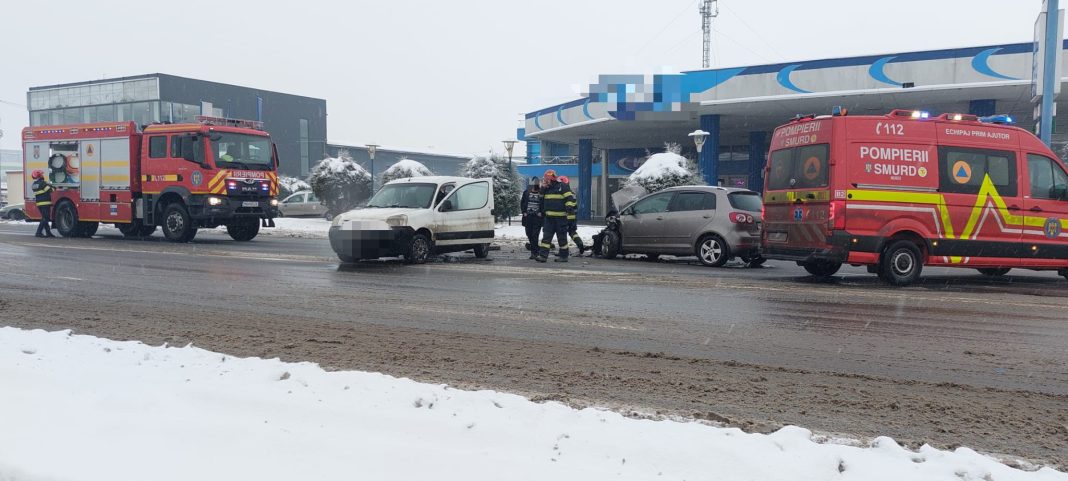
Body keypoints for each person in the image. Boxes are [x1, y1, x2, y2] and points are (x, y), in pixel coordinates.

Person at [535, 169, 576, 263]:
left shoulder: (562, 186)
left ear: (552, 179)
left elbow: (569, 198)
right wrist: (543, 189)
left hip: (561, 218)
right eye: (545, 179)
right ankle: (543, 256)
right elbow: (540, 199)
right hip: (549, 218)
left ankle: (564, 256)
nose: (545, 181)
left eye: (547, 179)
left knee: (562, 238)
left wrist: (569, 207)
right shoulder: (546, 189)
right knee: (546, 237)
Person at [557, 176, 586, 255]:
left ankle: (563, 251)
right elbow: (575, 207)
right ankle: (579, 243)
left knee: (562, 235)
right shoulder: (572, 194)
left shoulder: (561, 194)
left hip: (564, 216)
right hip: (572, 217)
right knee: (572, 232)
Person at [519, 176, 543, 259]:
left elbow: (544, 203)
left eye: (538, 183)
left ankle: (534, 253)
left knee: (535, 235)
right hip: (528, 217)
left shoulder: (541, 193)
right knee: (529, 233)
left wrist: (541, 212)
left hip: (537, 218)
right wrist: (524, 212)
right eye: (535, 183)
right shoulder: (527, 192)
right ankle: (536, 249)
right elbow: (522, 202)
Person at [30, 170, 55, 238]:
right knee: (45, 218)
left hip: (39, 203)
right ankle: (38, 232)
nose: (43, 175)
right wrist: (52, 186)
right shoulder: (43, 183)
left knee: (44, 218)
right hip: (45, 203)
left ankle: (48, 232)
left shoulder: (34, 185)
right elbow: (51, 190)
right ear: (40, 176)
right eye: (42, 174)